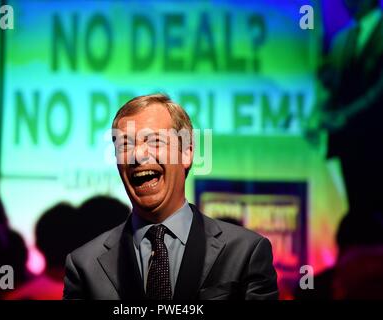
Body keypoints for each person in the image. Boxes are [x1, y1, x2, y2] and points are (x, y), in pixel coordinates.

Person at [63, 94, 278, 300]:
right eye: (125, 145)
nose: (137, 155)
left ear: (186, 153)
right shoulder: (84, 265)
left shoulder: (245, 252)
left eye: (154, 141)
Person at [317, 0, 383, 215]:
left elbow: (378, 93)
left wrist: (344, 116)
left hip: (377, 142)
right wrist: (323, 115)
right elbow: (334, 87)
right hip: (349, 146)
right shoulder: (342, 39)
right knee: (357, 210)